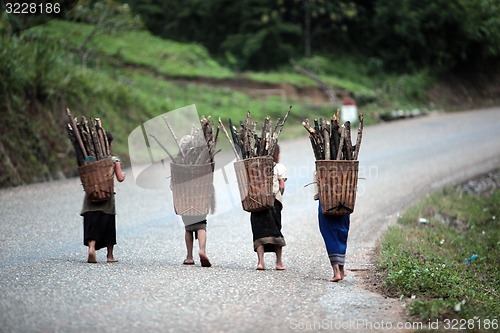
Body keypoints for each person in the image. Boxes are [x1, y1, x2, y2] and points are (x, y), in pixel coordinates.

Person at [81, 131, 125, 263]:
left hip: (90, 199)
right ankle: (110, 256)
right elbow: (120, 178)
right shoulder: (113, 160)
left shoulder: (88, 159)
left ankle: (92, 247)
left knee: (92, 225)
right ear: (109, 145)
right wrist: (123, 175)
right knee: (108, 226)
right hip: (107, 201)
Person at [250, 144, 287, 270]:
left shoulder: (254, 167)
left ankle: (260, 262)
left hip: (257, 202)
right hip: (273, 202)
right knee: (275, 230)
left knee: (259, 231)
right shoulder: (279, 167)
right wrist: (279, 194)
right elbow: (281, 185)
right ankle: (279, 262)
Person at [314, 172, 350, 282]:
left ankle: (336, 273)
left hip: (326, 204)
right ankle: (342, 270)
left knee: (329, 235)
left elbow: (317, 195)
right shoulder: (348, 169)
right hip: (344, 203)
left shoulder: (320, 168)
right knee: (342, 233)